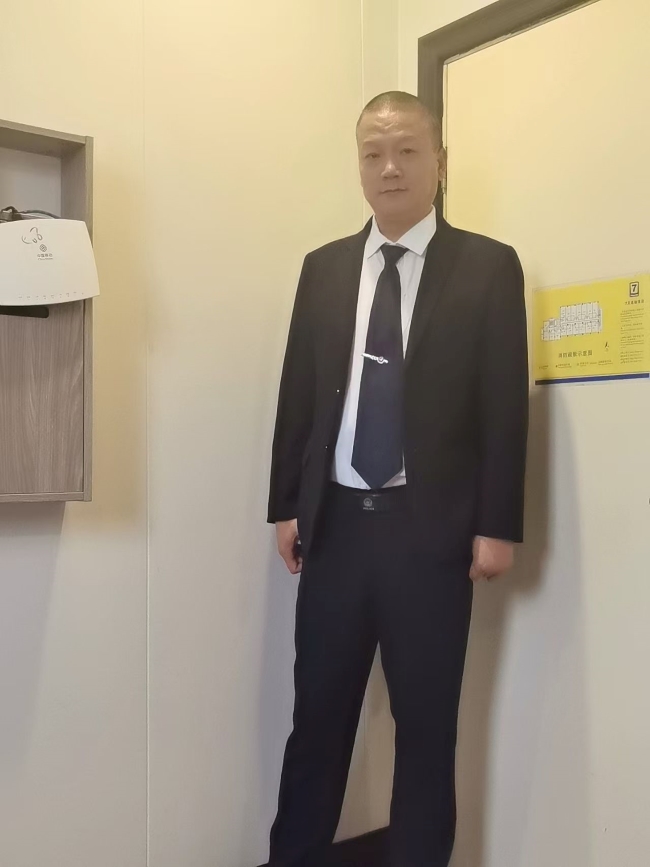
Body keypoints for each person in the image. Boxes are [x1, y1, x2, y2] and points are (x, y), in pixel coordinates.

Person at [267, 91, 528, 867]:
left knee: (425, 732)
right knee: (317, 724)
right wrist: (285, 505)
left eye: (408, 150)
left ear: (439, 162)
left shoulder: (488, 266)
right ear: (359, 166)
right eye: (374, 153)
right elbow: (299, 395)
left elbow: (503, 405)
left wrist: (497, 523)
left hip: (431, 535)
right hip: (335, 533)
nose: (390, 168)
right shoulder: (322, 268)